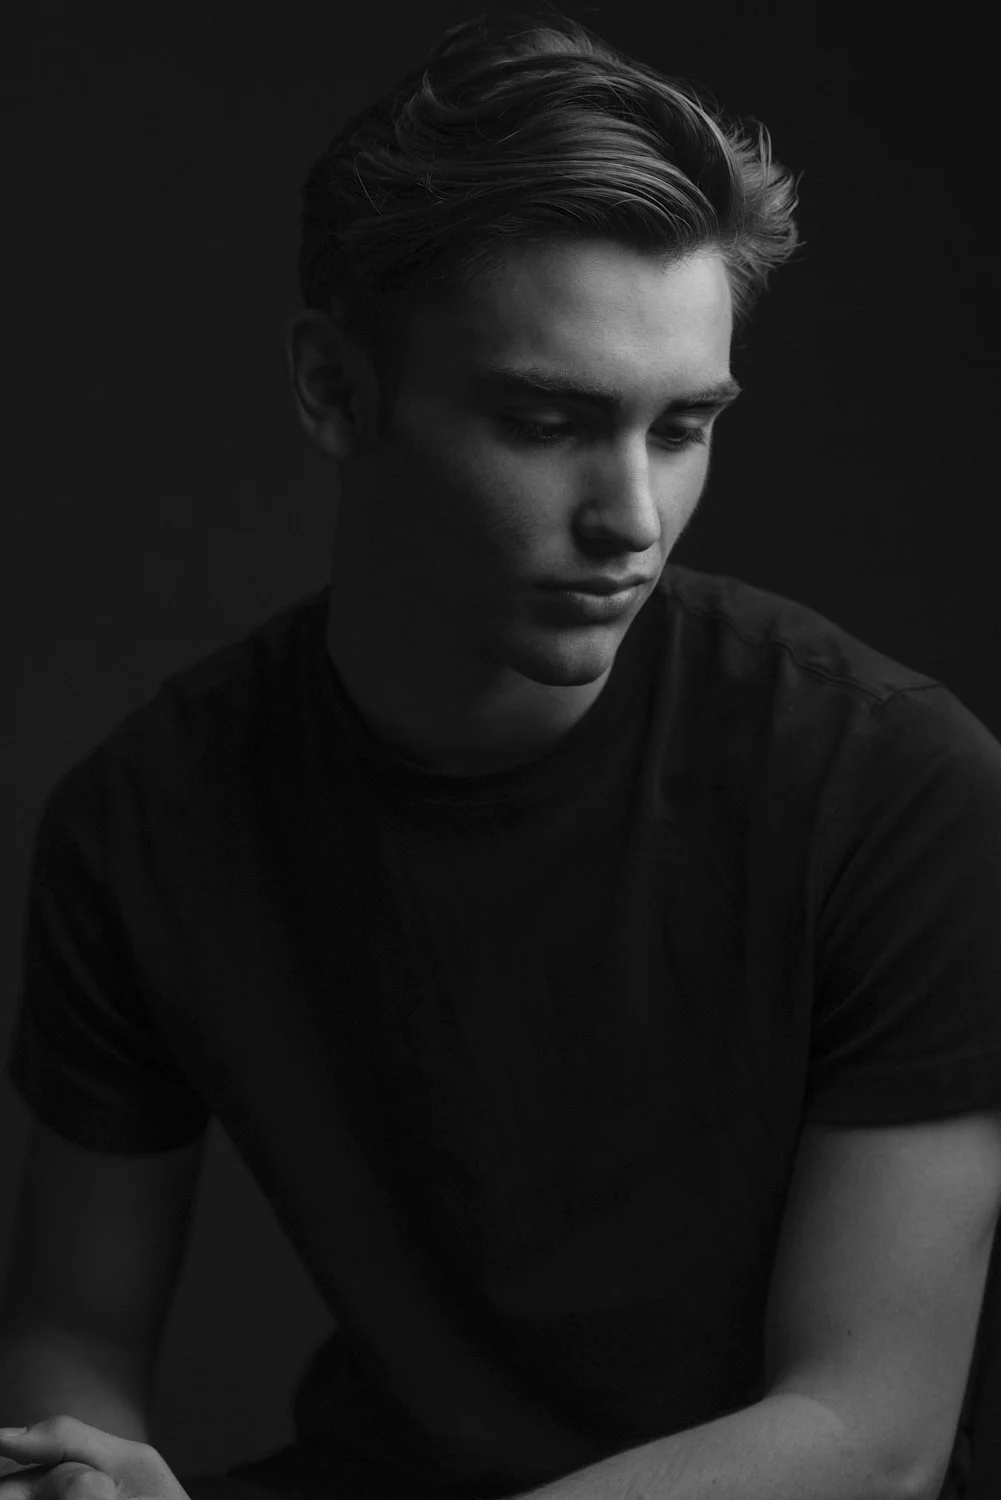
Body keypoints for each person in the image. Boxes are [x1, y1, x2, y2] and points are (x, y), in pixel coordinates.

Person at [3, 7, 1001, 1500]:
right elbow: (69, 1342)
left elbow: (869, 1441)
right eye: (549, 421)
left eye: (684, 429)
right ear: (338, 392)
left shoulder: (901, 792)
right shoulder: (146, 824)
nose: (633, 519)